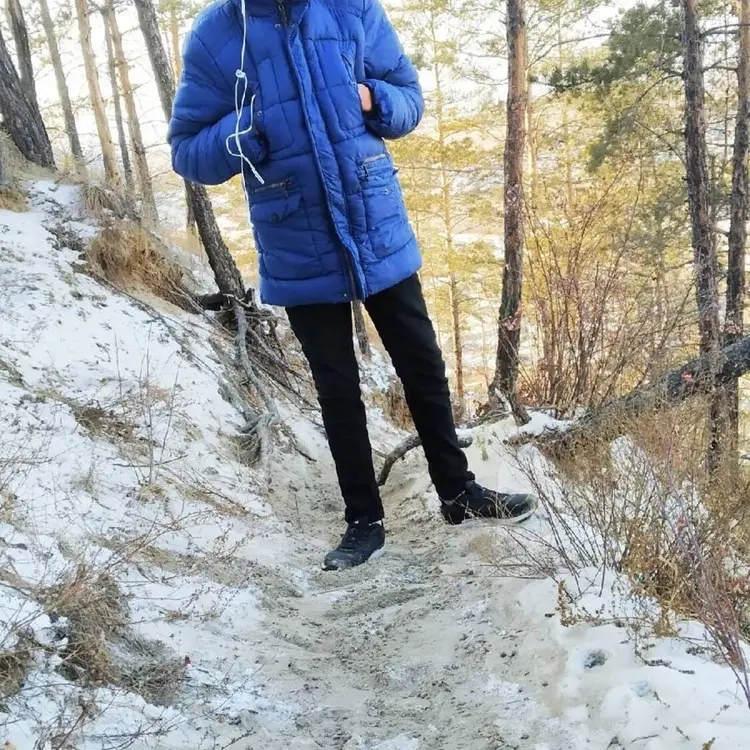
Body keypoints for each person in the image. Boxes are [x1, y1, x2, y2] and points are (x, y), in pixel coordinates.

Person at [168, 0, 536, 571]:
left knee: (422, 364)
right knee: (337, 388)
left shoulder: (351, 8)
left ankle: (457, 492)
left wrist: (372, 98)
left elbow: (408, 99)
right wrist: (248, 128)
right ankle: (363, 520)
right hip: (296, 239)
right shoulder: (217, 34)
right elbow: (188, 151)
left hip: (375, 223)